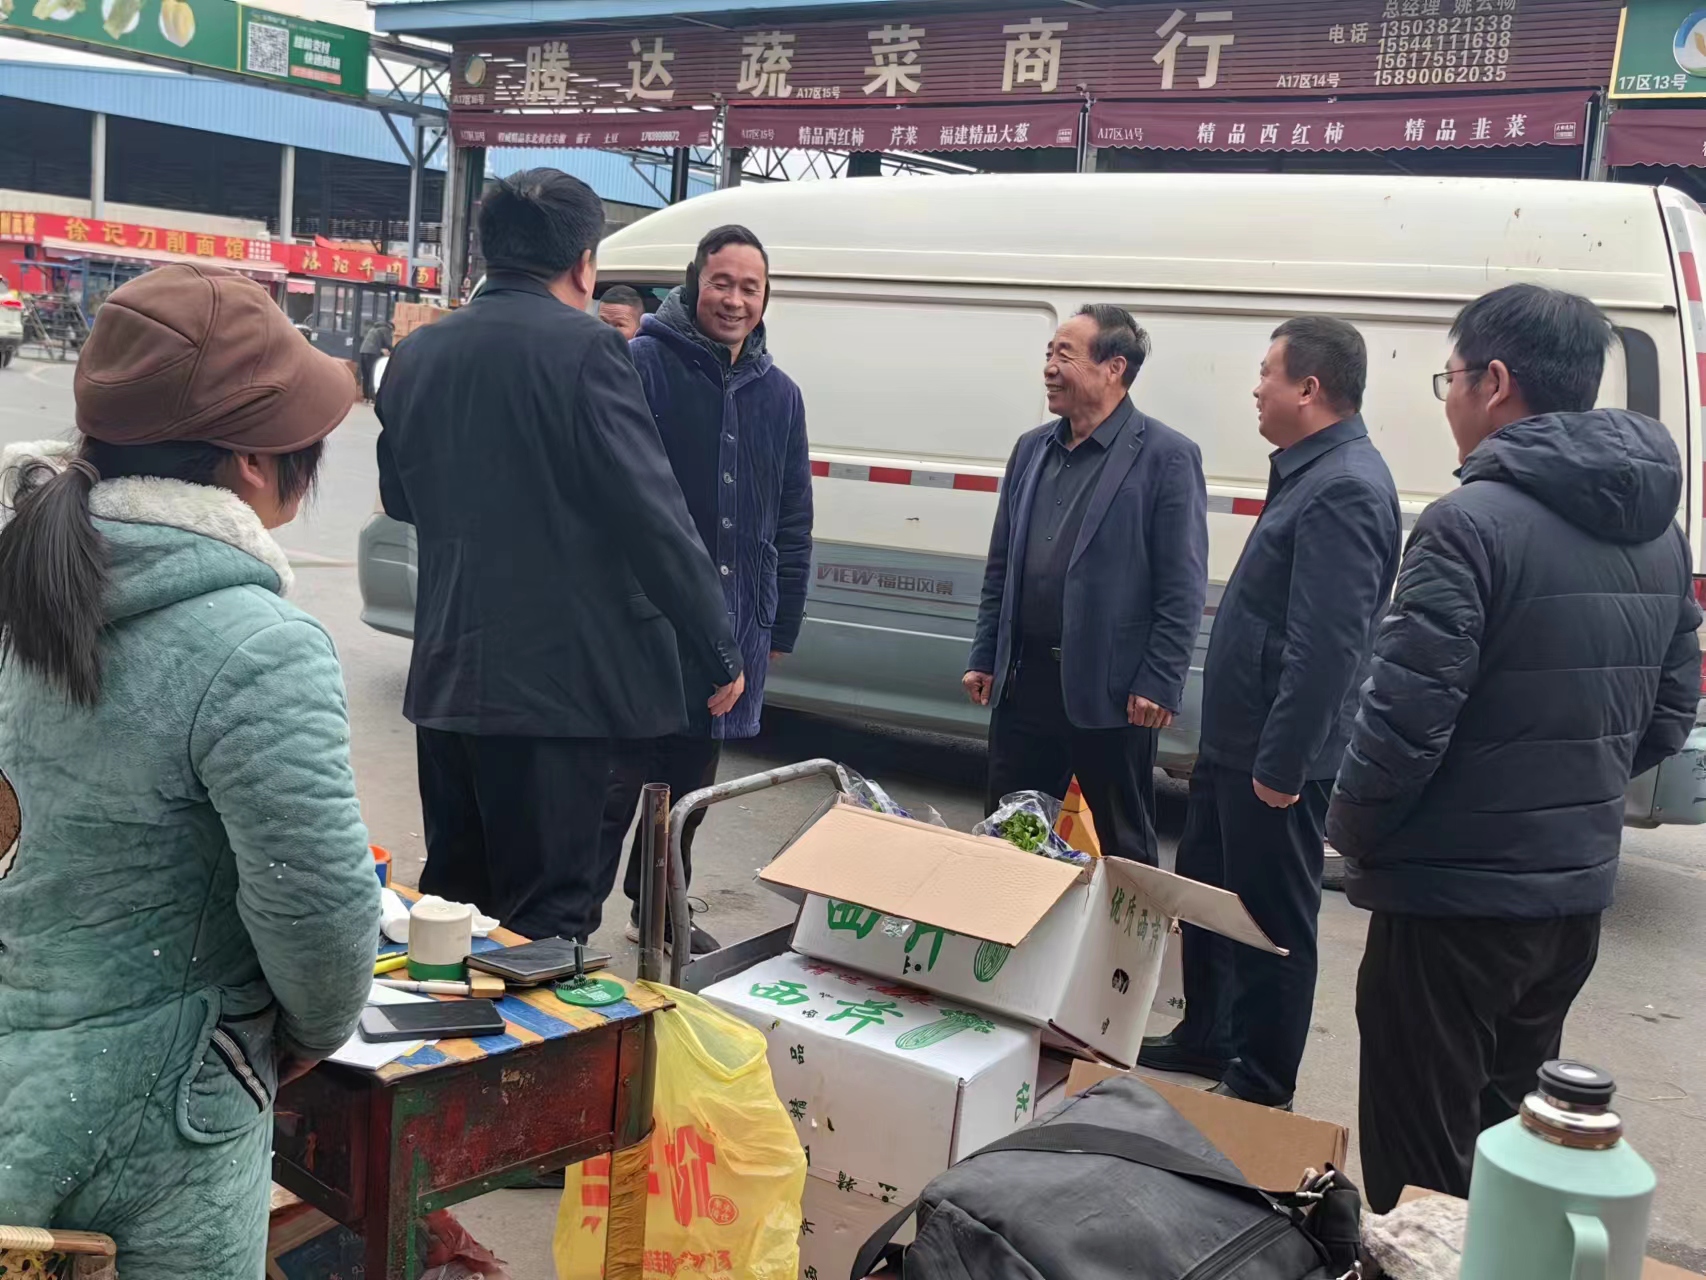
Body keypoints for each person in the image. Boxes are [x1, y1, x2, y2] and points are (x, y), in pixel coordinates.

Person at [0, 264, 380, 1278]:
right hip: (162, 1121)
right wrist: (300, 1031)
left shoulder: (27, 575)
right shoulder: (258, 643)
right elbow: (318, 910)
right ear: (253, 462)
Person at [1328, 284, 1702, 1212]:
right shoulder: (1660, 533)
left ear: (1494, 382)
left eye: (1449, 379)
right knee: (1508, 1151)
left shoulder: (1468, 524)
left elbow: (1402, 725)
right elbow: (1670, 713)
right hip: (1569, 901)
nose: (1448, 400)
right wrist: (1575, 781)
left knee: (1418, 1173)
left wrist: (1352, 836)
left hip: (1452, 903)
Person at [376, 169, 743, 943]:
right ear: (584, 263)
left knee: (454, 911)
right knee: (548, 922)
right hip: (559, 698)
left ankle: (451, 1022)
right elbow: (653, 518)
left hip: (448, 682)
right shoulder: (589, 350)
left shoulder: (419, 352)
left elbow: (401, 498)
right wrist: (717, 647)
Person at [1140, 317, 1400, 1109]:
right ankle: (1207, 1033)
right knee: (1211, 895)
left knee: (1270, 920)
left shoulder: (1346, 486)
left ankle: (1261, 1082)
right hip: (1238, 743)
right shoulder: (1309, 471)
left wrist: (1283, 764)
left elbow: (1329, 648)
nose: (1256, 388)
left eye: (1267, 373)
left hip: (1275, 760)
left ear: (1309, 388)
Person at [598, 226, 811, 952]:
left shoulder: (780, 396)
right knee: (617, 781)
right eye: (722, 282)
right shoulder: (642, 365)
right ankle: (571, 920)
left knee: (692, 784)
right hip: (645, 622)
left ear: (766, 298)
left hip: (735, 622)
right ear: (694, 284)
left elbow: (793, 516)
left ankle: (658, 910)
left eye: (751, 287)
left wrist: (780, 624)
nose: (735, 300)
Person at [964, 304, 1207, 865]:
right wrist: (986, 654)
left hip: (1113, 695)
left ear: (1114, 367)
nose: (1049, 367)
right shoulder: (1032, 449)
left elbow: (1182, 584)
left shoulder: (1167, 457)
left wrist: (1160, 680)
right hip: (1025, 685)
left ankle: (1125, 927)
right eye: (1049, 352)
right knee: (1009, 837)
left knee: (1124, 849)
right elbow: (1002, 565)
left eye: (1065, 355)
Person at [359, 315, 393, 401]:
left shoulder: (374, 328)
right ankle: (372, 397)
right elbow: (388, 343)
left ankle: (366, 397)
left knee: (366, 375)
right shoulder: (386, 329)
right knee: (372, 375)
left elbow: (374, 341)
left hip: (363, 351)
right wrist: (394, 351)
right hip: (372, 353)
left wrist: (381, 349)